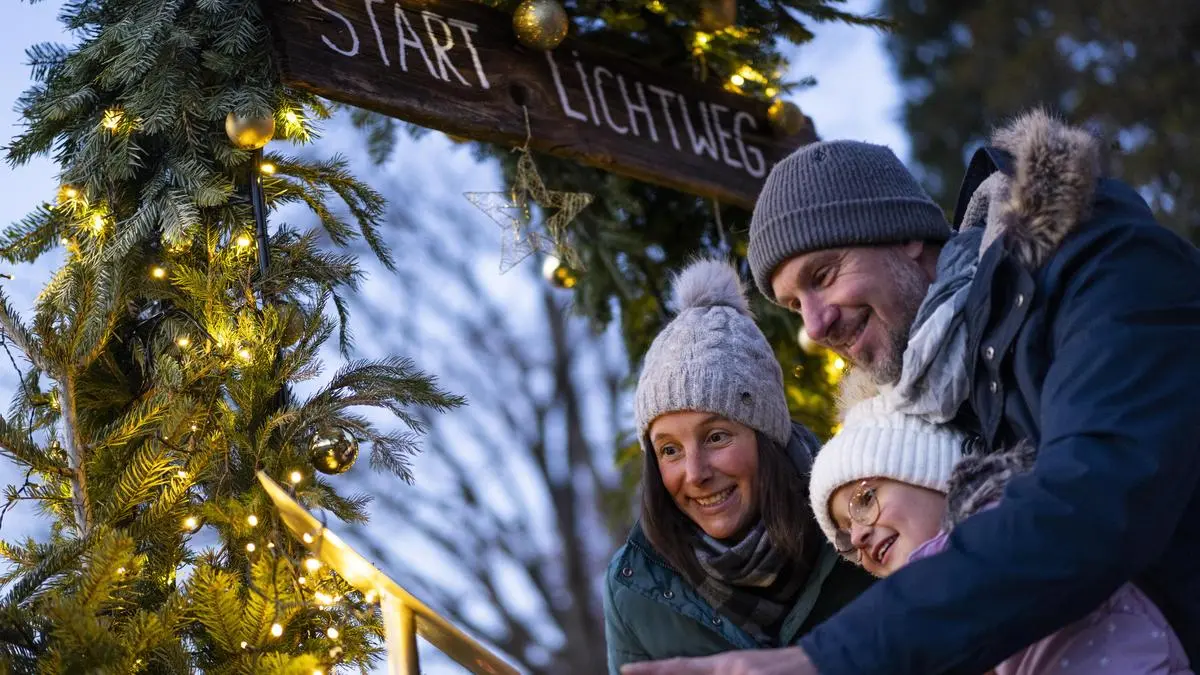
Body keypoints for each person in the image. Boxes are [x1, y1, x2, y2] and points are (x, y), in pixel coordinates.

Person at [620, 109, 1200, 675]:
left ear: (904, 239)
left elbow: (1090, 501)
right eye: (795, 305)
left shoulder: (1102, 269)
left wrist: (826, 659)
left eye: (823, 276)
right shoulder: (949, 392)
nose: (814, 326)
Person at [603, 258, 873, 675]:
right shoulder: (636, 588)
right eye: (669, 450)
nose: (695, 473)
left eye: (716, 437)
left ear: (766, 437)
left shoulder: (864, 518)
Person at [811, 394, 1192, 674]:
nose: (858, 537)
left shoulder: (1005, 530)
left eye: (864, 501)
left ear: (925, 472)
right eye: (844, 538)